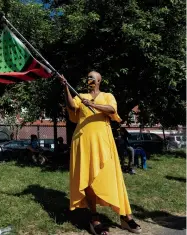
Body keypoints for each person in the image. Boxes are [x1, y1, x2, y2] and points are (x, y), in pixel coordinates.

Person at [59, 71, 141, 235]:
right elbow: (72, 106)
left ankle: (125, 216)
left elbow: (111, 109)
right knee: (88, 179)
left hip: (104, 141)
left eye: (92, 77)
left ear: (99, 80)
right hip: (83, 141)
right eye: (87, 77)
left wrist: (92, 104)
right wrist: (66, 87)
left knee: (112, 177)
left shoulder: (107, 95)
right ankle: (94, 218)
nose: (89, 79)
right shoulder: (80, 95)